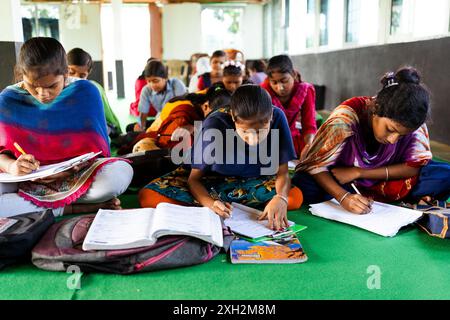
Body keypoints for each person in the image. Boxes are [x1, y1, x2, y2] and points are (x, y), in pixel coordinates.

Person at [0, 37, 133, 218]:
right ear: (21, 75)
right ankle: (71, 208)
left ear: (65, 73)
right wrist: (12, 166)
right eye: (33, 86)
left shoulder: (85, 92)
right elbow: (2, 155)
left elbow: (98, 153)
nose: (43, 94)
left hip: (76, 177)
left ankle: (38, 207)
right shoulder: (8, 99)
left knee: (118, 175)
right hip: (25, 180)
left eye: (52, 86)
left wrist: (72, 169)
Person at [139, 85, 303, 230]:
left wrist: (280, 197)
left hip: (255, 179)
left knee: (294, 197)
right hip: (212, 181)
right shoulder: (215, 123)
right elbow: (194, 180)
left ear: (271, 119)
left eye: (261, 131)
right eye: (245, 132)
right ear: (233, 118)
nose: (253, 140)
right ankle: (237, 205)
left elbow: (283, 173)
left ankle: (237, 205)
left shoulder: (278, 117)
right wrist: (209, 203)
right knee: (148, 196)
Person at [292, 66, 450, 214]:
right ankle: (365, 195)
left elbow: (414, 166)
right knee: (305, 183)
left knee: (445, 174)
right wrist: (343, 197)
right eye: (390, 129)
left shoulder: (413, 121)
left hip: (378, 176)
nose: (393, 140)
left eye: (402, 136)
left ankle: (375, 195)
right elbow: (317, 165)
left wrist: (360, 172)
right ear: (376, 109)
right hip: (345, 177)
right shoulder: (344, 119)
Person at [261, 55, 317, 159]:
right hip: (268, 141)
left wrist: (309, 147)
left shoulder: (304, 90)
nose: (280, 87)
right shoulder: (263, 92)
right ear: (269, 80)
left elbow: (309, 125)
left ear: (294, 74)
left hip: (293, 140)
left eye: (284, 81)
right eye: (274, 82)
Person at [67, 48, 122, 137]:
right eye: (71, 72)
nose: (76, 79)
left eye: (82, 76)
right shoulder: (57, 89)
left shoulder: (93, 88)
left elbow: (103, 117)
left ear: (88, 74)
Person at [137, 60, 187, 132]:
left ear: (165, 78)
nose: (152, 85)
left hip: (177, 120)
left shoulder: (176, 84)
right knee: (131, 127)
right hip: (160, 120)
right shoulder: (146, 90)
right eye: (148, 81)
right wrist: (141, 128)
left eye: (155, 81)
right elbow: (143, 114)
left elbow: (184, 108)